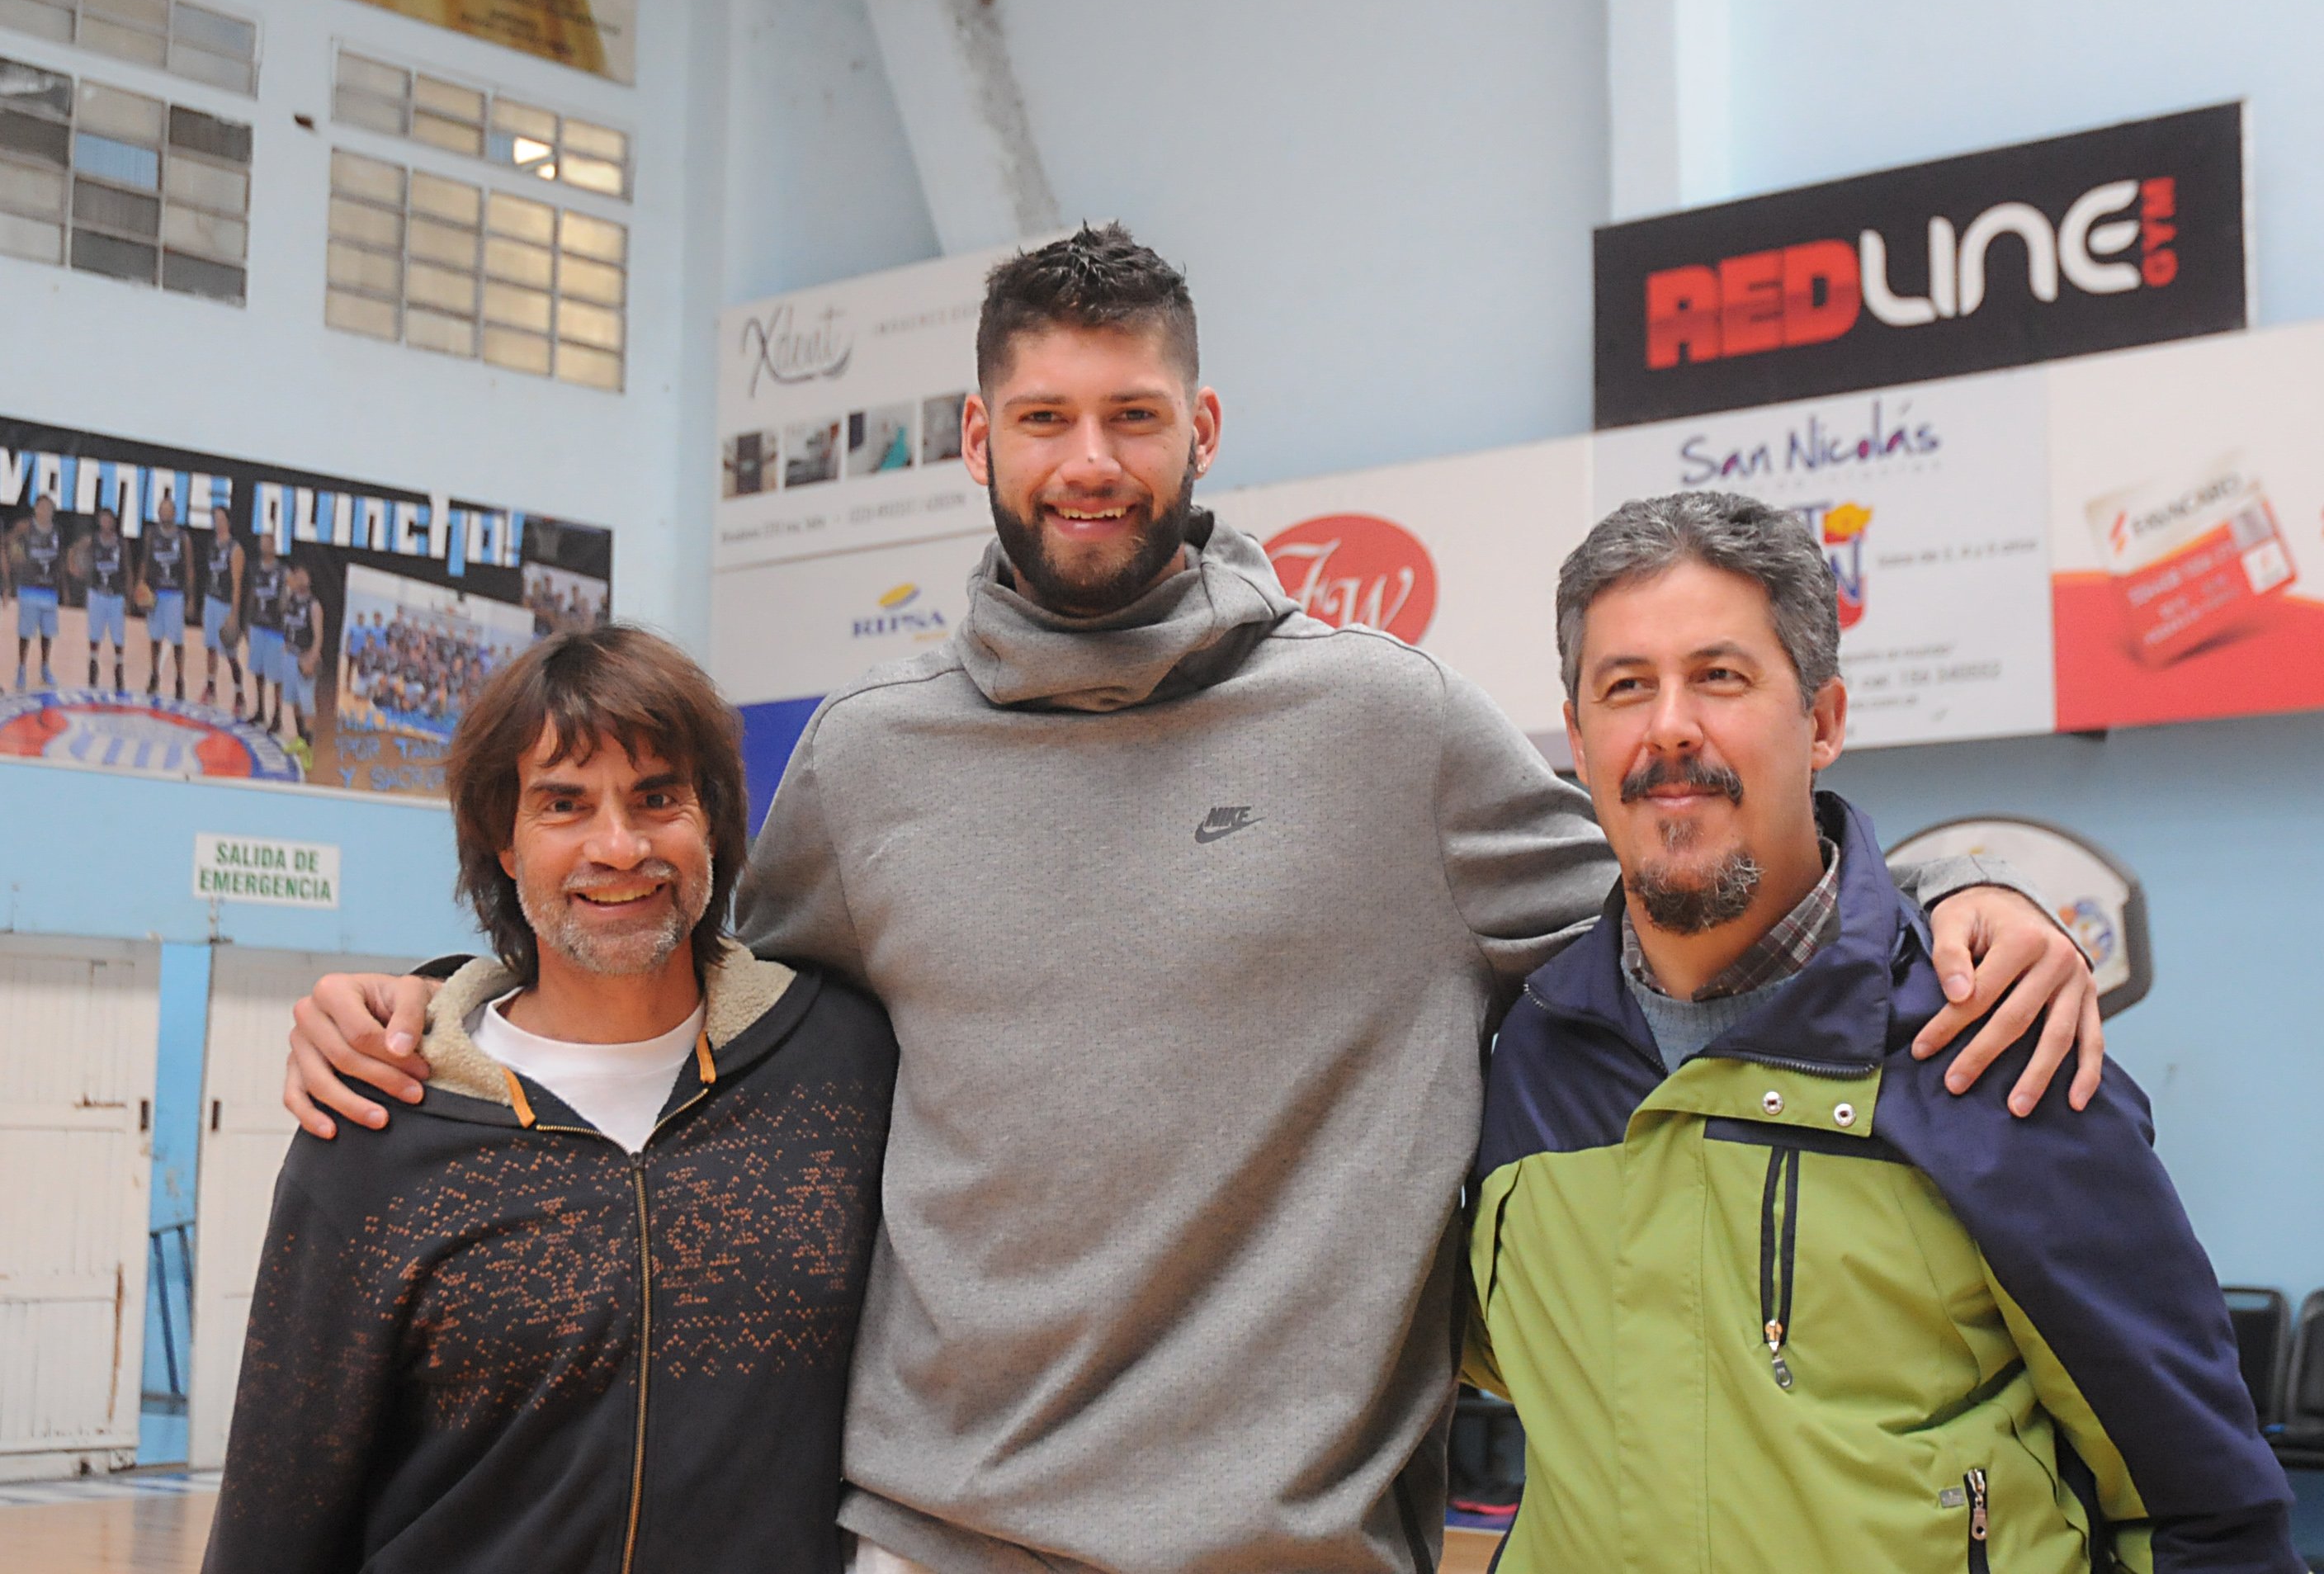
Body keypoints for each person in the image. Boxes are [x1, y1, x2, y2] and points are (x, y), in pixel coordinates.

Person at [286, 226, 2102, 1574]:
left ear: (1201, 427)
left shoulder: (1390, 729)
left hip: (1289, 1553)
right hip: (930, 1540)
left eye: (1133, 414)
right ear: (975, 438)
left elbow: (1700, 880)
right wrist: (436, 1003)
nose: (1091, 460)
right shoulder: (867, 763)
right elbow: (679, 993)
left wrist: (1950, 905)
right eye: (1047, 416)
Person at [1467, 491, 2298, 1573]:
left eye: (1720, 676)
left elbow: (2205, 1514)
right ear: (1577, 741)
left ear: (1823, 722)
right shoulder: (1527, 1065)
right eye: (1627, 687)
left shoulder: (1995, 1050)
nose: (1669, 724)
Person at [203, 624, 896, 1574]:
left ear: (713, 821)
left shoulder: (842, 1068)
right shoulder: (385, 1119)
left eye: (657, 799)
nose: (618, 847)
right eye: (564, 805)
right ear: (503, 838)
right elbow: (276, 1500)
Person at [7, 491, 64, 691]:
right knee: (25, 633)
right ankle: (21, 669)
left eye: (49, 508)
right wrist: (15, 551)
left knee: (47, 633)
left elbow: (60, 560)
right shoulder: (26, 527)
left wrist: (61, 586)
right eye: (42, 506)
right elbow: (10, 539)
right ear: (36, 508)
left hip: (49, 589)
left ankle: (45, 668)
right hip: (29, 588)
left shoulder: (57, 531)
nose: (45, 510)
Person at [139, 489, 191, 699]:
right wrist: (140, 584)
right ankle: (154, 675)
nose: (165, 514)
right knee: (155, 638)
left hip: (175, 593)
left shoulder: (182, 537)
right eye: (162, 511)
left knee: (177, 641)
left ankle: (180, 679)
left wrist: (190, 597)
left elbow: (189, 568)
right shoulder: (152, 534)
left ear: (174, 514)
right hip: (156, 593)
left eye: (168, 511)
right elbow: (145, 561)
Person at [72, 505, 130, 692]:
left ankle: (119, 669)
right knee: (95, 634)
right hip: (97, 593)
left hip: (115, 595)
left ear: (113, 522)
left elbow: (127, 569)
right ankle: (93, 666)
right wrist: (74, 566)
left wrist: (129, 594)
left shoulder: (121, 543)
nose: (106, 522)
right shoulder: (92, 540)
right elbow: (74, 549)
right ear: (99, 522)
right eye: (103, 519)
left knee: (118, 637)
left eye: (109, 519)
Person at [199, 508, 248, 715]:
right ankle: (210, 689)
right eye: (214, 519)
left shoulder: (235, 549)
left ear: (228, 521)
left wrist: (234, 615)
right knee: (210, 648)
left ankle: (239, 696)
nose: (217, 522)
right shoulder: (212, 545)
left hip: (225, 604)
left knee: (230, 654)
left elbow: (237, 584)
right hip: (211, 600)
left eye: (221, 519)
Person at [275, 562, 324, 758]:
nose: (299, 578)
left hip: (304, 658)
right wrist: (287, 588)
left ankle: (308, 749)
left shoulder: (314, 605)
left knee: (307, 705)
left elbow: (319, 636)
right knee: (292, 701)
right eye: (297, 574)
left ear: (309, 580)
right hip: (290, 655)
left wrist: (312, 658)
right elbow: (281, 610)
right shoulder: (291, 598)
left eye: (302, 575)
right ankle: (298, 740)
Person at [243, 532, 288, 733]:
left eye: (268, 542)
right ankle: (261, 709)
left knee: (276, 676)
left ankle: (277, 715)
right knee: (258, 671)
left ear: (274, 546)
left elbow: (287, 601)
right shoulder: (254, 568)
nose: (264, 546)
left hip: (275, 629)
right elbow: (252, 594)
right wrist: (247, 622)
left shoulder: (283, 571)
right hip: (257, 625)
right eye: (262, 542)